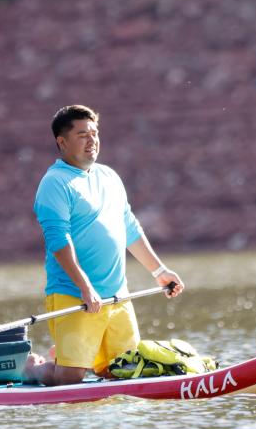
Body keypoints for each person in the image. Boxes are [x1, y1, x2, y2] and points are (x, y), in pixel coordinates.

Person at [24, 105, 183, 386]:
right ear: (62, 142)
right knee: (70, 379)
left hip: (118, 297)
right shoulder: (54, 184)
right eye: (82, 134)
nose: (92, 140)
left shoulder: (109, 177)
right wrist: (86, 288)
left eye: (94, 133)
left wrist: (159, 271)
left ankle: (65, 353)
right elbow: (59, 243)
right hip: (74, 295)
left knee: (121, 370)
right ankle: (33, 367)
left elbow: (130, 229)